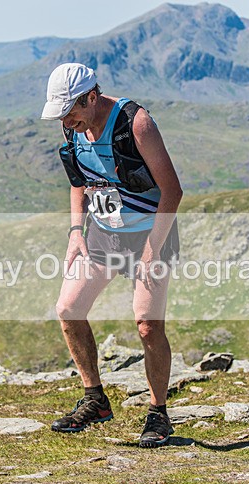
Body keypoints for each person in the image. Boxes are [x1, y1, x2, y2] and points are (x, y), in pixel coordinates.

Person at [40, 63, 183, 448]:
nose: (65, 122)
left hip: (150, 233)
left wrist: (152, 249)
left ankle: (158, 413)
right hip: (103, 234)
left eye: (69, 111)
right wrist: (76, 231)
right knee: (68, 308)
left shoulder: (136, 124)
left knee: (147, 325)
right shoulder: (73, 127)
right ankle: (95, 400)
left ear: (91, 97)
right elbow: (79, 181)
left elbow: (172, 191)